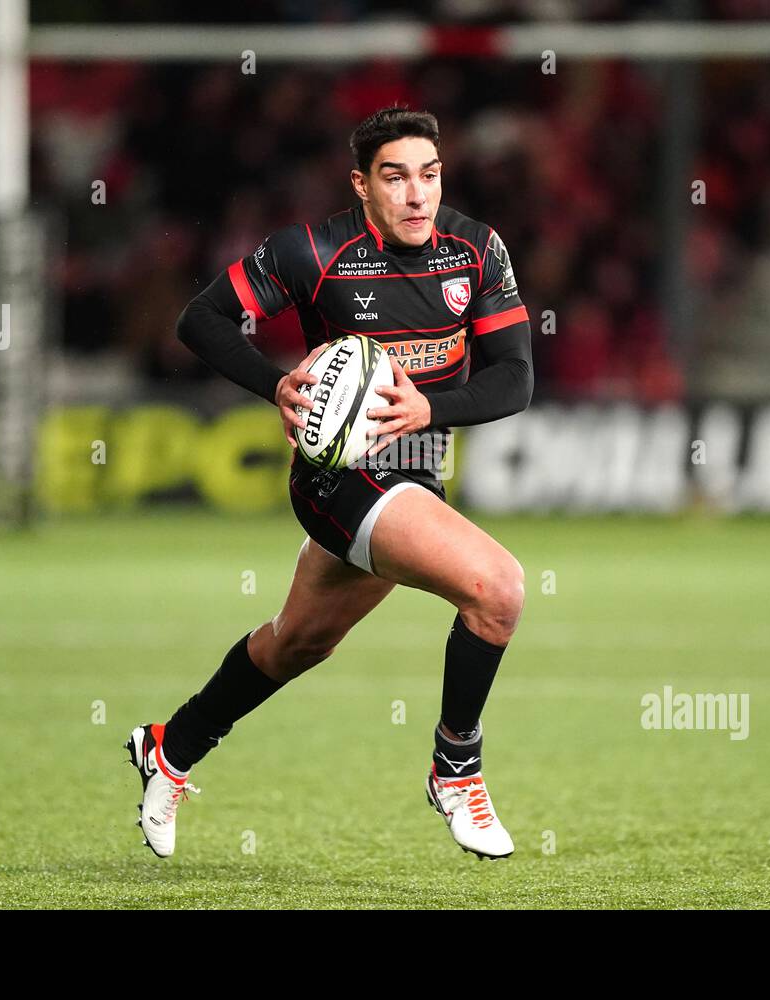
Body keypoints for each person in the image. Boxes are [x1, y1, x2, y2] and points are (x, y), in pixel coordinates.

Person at [127, 105, 533, 859]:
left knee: (296, 645)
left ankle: (168, 746)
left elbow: (515, 379)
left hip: (417, 479)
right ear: (362, 185)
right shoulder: (312, 251)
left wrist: (429, 408)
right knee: (497, 590)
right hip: (336, 477)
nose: (417, 194)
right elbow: (201, 319)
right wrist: (273, 383)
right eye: (396, 177)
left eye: (430, 176)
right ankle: (457, 767)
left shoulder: (477, 251)